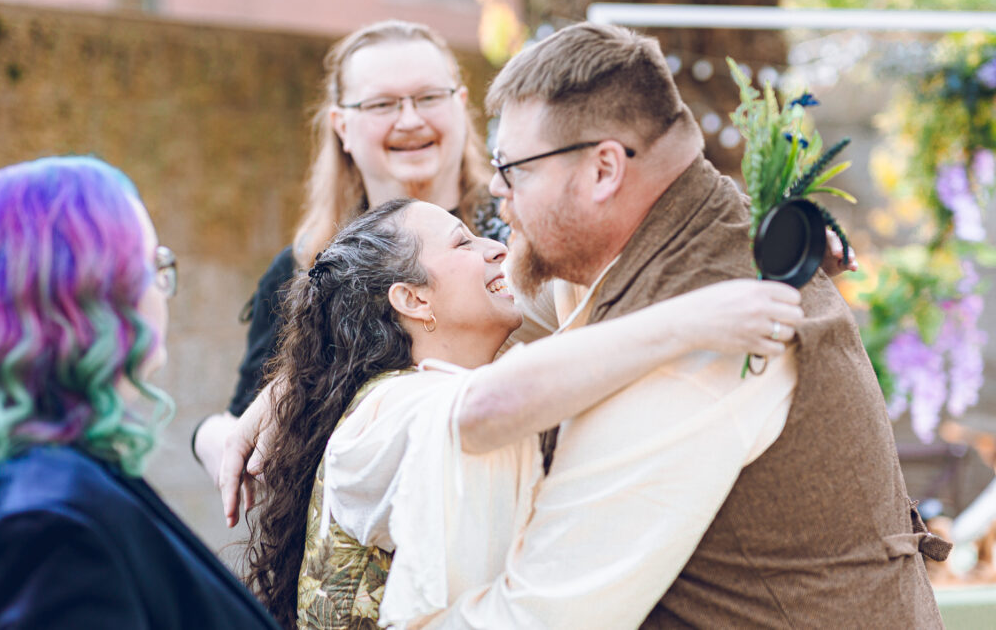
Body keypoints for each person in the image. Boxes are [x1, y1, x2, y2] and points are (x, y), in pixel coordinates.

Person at [417, 22, 947, 628]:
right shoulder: (700, 229)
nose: (495, 186)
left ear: (603, 171)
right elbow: (533, 305)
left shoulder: (705, 339)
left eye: (515, 167)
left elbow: (541, 616)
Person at [240, 197, 806, 628]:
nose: (495, 249)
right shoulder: (383, 409)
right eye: (463, 244)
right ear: (412, 299)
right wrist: (693, 320)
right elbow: (483, 411)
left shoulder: (442, 387)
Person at [0, 156, 278, 629]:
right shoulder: (47, 526)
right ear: (86, 296)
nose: (163, 289)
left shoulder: (56, 477)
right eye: (152, 264)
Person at [190, 19, 499, 484]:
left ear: (461, 105)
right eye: (382, 104)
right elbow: (245, 420)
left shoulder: (517, 236)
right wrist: (207, 436)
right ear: (343, 127)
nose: (411, 119)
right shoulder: (304, 268)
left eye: (430, 97)